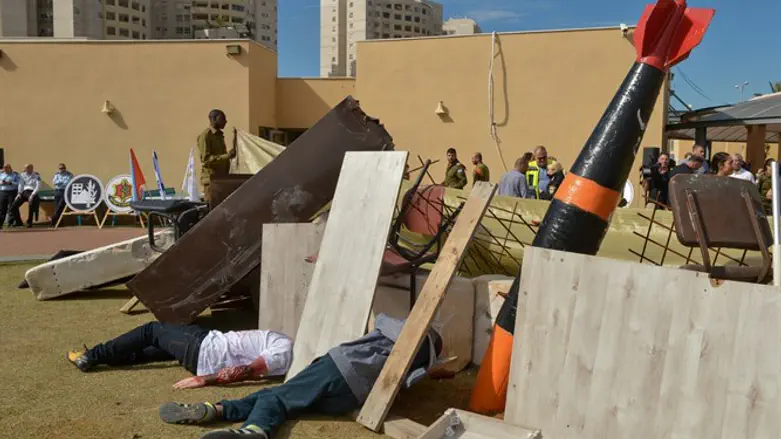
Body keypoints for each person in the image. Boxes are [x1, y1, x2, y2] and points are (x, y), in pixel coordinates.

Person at [158, 314, 445, 439]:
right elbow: (406, 383)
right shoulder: (421, 364)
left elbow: (381, 320)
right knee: (282, 399)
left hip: (339, 368)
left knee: (277, 396)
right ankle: (218, 410)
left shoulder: (408, 333)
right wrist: (435, 370)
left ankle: (256, 430)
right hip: (351, 397)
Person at [66, 321, 293, 389]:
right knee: (165, 345)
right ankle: (116, 358)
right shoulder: (286, 345)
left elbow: (247, 371)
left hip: (203, 348)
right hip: (206, 345)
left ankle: (92, 356)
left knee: (151, 331)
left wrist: (204, 379)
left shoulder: (284, 350)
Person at [197, 109, 236, 204]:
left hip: (221, 179)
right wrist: (227, 156)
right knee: (212, 210)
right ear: (214, 119)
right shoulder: (206, 136)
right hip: (211, 181)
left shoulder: (219, 135)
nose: (225, 122)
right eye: (223, 119)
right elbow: (206, 159)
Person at [9, 163, 41, 228]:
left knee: (31, 204)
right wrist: (19, 193)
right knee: (13, 207)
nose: (25, 169)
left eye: (27, 168)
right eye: (25, 168)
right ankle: (19, 222)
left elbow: (38, 187)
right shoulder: (22, 175)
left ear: (31, 168)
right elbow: (21, 184)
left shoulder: (37, 175)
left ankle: (29, 222)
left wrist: (32, 195)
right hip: (24, 192)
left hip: (33, 192)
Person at [0, 164, 22, 228]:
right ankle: (0, 223)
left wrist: (10, 183)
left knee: (12, 207)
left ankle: (11, 223)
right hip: (2, 192)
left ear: (10, 168)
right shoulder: (1, 174)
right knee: (2, 208)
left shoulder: (15, 174)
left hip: (12, 192)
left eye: (7, 168)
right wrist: (2, 182)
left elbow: (18, 183)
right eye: (4, 168)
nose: (5, 169)